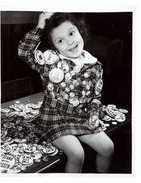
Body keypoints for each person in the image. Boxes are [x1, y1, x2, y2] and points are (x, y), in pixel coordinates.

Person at [18, 12, 114, 173]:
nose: (69, 42)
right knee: (77, 154)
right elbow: (24, 52)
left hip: (80, 118)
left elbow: (95, 98)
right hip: (53, 118)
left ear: (80, 30)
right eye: (60, 40)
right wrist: (40, 27)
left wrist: (94, 114)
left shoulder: (95, 65)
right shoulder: (50, 61)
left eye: (71, 33)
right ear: (54, 47)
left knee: (108, 148)